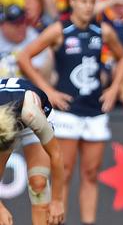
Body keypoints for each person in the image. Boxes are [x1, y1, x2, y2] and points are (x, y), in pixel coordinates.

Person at [17, 0, 123, 225]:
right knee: (64, 171)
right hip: (67, 111)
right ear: (73, 2)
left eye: (92, 2)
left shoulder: (103, 31)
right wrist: (48, 90)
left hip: (95, 111)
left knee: (90, 174)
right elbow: (24, 57)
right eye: (84, 1)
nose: (88, 7)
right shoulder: (60, 30)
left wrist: (114, 89)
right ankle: (59, 221)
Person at [0, 78, 64, 225]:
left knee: (38, 183)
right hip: (8, 117)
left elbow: (56, 154)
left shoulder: (32, 113)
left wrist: (57, 200)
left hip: (29, 115)